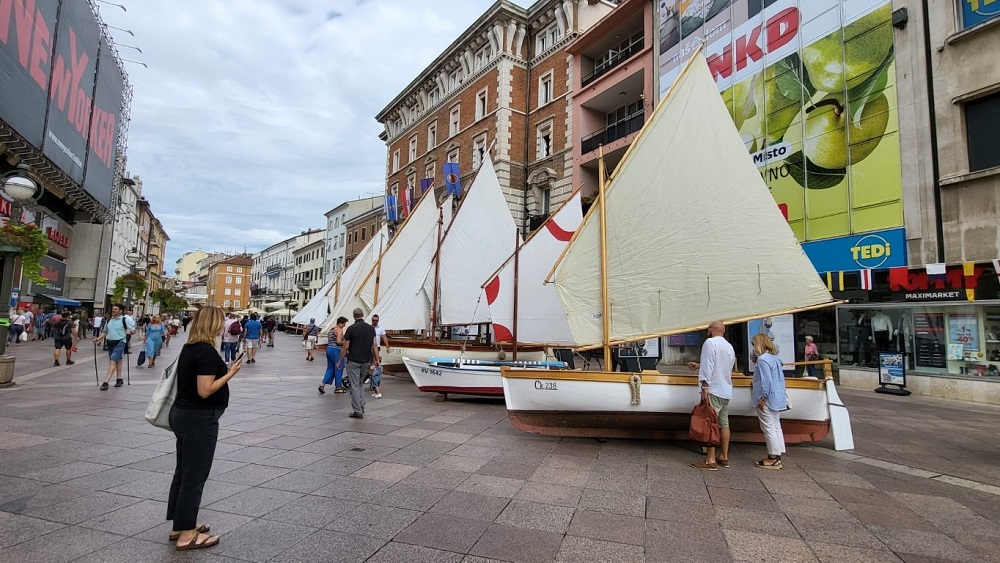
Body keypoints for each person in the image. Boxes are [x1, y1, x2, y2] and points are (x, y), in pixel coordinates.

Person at [167, 306, 241, 551]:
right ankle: (187, 534)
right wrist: (230, 373)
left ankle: (180, 524)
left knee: (183, 472)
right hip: (199, 419)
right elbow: (205, 390)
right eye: (220, 322)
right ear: (212, 325)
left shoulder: (189, 348)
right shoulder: (207, 353)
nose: (223, 326)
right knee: (194, 476)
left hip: (184, 415)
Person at [687, 320, 736, 471]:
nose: (707, 330)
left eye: (708, 328)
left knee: (711, 423)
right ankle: (724, 456)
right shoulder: (729, 346)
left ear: (713, 329)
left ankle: (710, 459)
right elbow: (724, 365)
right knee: (724, 424)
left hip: (713, 389)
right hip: (726, 389)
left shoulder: (710, 343)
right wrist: (699, 365)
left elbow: (709, 365)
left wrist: (704, 386)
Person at [751, 333, 787, 470]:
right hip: (777, 398)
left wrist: (763, 398)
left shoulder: (763, 360)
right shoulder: (775, 358)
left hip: (767, 398)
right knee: (776, 426)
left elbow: (766, 381)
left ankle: (772, 457)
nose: (753, 347)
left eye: (754, 344)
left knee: (768, 427)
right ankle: (777, 455)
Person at [338, 308, 379, 419]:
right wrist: (377, 359)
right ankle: (362, 406)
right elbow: (374, 345)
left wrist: (339, 361)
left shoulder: (351, 328)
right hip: (366, 361)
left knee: (354, 385)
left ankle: (357, 411)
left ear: (353, 315)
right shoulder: (371, 329)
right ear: (362, 315)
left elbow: (345, 346)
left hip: (354, 360)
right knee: (360, 383)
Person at [93, 304, 136, 390]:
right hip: (110, 342)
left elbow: (133, 330)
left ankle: (106, 382)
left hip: (120, 342)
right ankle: (119, 379)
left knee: (112, 361)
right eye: (113, 309)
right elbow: (105, 332)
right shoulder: (109, 320)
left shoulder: (124, 320)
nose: (113, 310)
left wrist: (130, 332)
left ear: (120, 311)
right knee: (118, 360)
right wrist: (98, 339)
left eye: (116, 309)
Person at [319, 317, 348, 394]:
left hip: (329, 349)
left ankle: (322, 385)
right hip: (336, 350)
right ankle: (338, 387)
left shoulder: (331, 330)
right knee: (339, 367)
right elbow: (338, 341)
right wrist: (345, 343)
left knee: (330, 368)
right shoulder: (339, 330)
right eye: (344, 324)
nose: (344, 326)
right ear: (341, 323)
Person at [370, 315, 391, 398]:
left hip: (376, 348)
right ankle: (375, 389)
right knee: (372, 367)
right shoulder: (369, 328)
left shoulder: (381, 328)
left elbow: (384, 337)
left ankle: (377, 390)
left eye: (376, 320)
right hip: (369, 348)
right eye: (373, 320)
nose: (375, 322)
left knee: (374, 367)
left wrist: (387, 347)